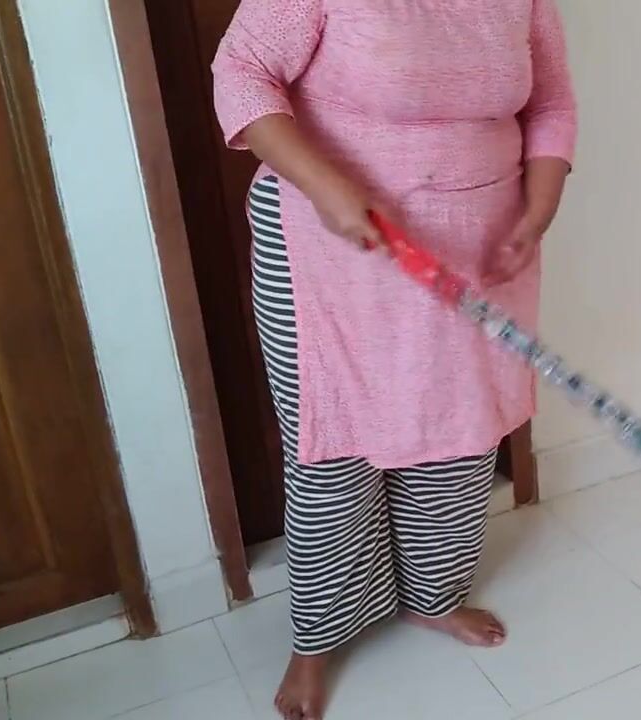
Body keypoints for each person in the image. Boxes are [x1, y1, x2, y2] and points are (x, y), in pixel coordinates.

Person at [212, 1, 577, 717]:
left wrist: (537, 211)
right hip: (333, 245)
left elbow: (551, 100)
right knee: (335, 447)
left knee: (463, 431)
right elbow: (243, 72)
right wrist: (327, 187)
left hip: (477, 249)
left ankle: (433, 597)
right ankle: (315, 642)